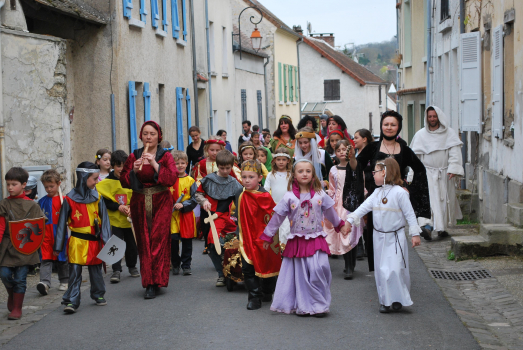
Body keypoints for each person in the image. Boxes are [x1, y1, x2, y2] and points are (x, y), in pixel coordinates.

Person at [343, 111, 430, 272]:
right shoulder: (373, 147)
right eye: (386, 124)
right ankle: (379, 269)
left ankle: (396, 267)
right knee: (375, 231)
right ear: (381, 126)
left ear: (399, 127)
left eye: (393, 124)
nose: (389, 127)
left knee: (395, 229)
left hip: (396, 196)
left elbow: (419, 169)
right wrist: (352, 159)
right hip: (376, 193)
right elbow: (356, 167)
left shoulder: (403, 148)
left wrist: (407, 187)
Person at [261, 159, 345, 317]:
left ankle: (319, 301)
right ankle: (307, 306)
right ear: (294, 175)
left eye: (308, 171)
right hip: (297, 241)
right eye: (300, 171)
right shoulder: (289, 197)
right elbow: (277, 218)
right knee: (301, 276)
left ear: (313, 174)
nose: (304, 174)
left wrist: (340, 225)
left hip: (316, 238)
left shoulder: (321, 194)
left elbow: (330, 212)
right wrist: (268, 236)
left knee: (320, 268)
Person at [345, 158, 421, 313]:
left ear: (385, 172)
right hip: (379, 237)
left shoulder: (400, 193)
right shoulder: (377, 193)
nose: (373, 175)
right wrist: (350, 220)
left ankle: (398, 298)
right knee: (381, 270)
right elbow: (363, 208)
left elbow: (410, 214)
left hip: (395, 237)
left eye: (375, 172)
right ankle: (385, 300)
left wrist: (415, 234)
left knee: (394, 269)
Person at [120, 121, 177, 299]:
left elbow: (171, 178)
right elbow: (124, 181)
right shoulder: (134, 155)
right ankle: (149, 283)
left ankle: (158, 279)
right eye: (145, 133)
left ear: (158, 136)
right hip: (139, 200)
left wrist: (154, 164)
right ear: (141, 135)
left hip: (161, 200)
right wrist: (134, 172)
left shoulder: (165, 156)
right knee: (144, 242)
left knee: (158, 240)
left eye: (152, 134)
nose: (148, 137)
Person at [54, 162, 111, 314]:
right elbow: (61, 225)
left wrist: (108, 241)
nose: (97, 181)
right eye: (94, 178)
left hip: (94, 240)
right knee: (75, 272)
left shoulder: (98, 197)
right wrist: (57, 247)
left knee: (95, 270)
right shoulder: (69, 199)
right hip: (77, 242)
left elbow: (104, 221)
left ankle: (98, 294)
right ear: (83, 178)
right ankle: (72, 301)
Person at [409, 106, 464, 240]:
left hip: (444, 173)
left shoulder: (449, 134)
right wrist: (413, 175)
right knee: (427, 201)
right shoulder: (420, 135)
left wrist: (453, 169)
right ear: (426, 118)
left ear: (439, 117)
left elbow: (454, 153)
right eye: (430, 116)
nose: (432, 119)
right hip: (426, 173)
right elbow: (415, 158)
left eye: (434, 116)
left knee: (443, 201)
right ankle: (427, 226)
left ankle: (441, 228)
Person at [0, 167, 47, 320]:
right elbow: (1, 227)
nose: (10, 188)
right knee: (5, 274)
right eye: (8, 184)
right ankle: (12, 295)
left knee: (20, 278)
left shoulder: (33, 206)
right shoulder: (4, 204)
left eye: (13, 184)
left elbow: (40, 226)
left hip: (25, 247)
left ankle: (17, 308)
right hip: (7, 245)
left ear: (23, 184)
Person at [234, 160, 280, 310]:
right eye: (244, 176)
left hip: (263, 239)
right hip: (246, 238)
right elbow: (238, 216)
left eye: (251, 177)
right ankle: (254, 297)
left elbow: (272, 217)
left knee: (266, 266)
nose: (246, 180)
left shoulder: (265, 196)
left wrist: (270, 236)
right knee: (248, 267)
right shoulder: (239, 194)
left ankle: (267, 292)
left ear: (260, 178)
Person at [194, 150, 243, 287]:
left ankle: (232, 270)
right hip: (208, 216)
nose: (225, 171)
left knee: (224, 241)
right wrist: (203, 201)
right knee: (211, 246)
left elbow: (241, 201)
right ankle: (221, 273)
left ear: (232, 165)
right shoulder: (209, 179)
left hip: (225, 217)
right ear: (217, 165)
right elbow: (198, 194)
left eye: (228, 168)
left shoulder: (234, 182)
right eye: (222, 168)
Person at [96, 150, 139, 284]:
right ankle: (116, 269)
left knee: (132, 245)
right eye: (119, 166)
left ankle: (132, 266)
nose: (121, 169)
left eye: (125, 166)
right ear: (113, 166)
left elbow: (138, 196)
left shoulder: (133, 179)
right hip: (114, 219)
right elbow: (106, 202)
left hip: (130, 219)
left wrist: (132, 207)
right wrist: (118, 206)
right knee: (115, 244)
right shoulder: (107, 182)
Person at [324, 140, 363, 280]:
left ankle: (350, 265)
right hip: (337, 203)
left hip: (351, 202)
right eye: (338, 150)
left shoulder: (354, 166)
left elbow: (359, 181)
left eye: (344, 149)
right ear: (335, 153)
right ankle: (347, 265)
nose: (341, 152)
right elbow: (333, 188)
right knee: (343, 232)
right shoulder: (333, 169)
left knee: (350, 233)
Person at [37, 169, 68, 295]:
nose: (49, 189)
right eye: (46, 187)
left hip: (60, 234)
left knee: (62, 258)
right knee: (46, 258)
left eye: (51, 186)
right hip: (46, 235)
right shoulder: (41, 201)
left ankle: (64, 280)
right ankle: (45, 283)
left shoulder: (65, 201)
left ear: (59, 184)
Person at [170, 151, 198, 276]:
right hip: (172, 216)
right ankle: (175, 264)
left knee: (187, 242)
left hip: (186, 215)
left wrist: (183, 205)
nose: (180, 165)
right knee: (173, 241)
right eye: (177, 163)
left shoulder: (191, 180)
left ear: (187, 164)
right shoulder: (169, 180)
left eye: (182, 163)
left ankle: (186, 265)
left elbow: (195, 198)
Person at [353, 128, 374, 260]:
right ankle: (359, 244)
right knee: (358, 213)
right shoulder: (355, 153)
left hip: (369, 184)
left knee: (368, 215)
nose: (354, 140)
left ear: (364, 139)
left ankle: (368, 244)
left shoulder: (372, 152)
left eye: (356, 137)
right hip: (358, 185)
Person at [263, 148, 292, 245]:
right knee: (276, 230)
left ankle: (285, 251)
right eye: (278, 159)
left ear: (288, 161)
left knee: (286, 230)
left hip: (288, 207)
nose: (281, 162)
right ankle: (278, 253)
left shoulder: (291, 175)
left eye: (284, 160)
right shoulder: (271, 175)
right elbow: (266, 190)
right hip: (275, 206)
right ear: (274, 160)